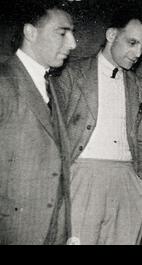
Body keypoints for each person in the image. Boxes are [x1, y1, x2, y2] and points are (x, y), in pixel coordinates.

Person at [56, 6, 142, 244]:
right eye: (132, 42)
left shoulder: (140, 85)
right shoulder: (70, 74)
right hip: (81, 178)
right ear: (111, 35)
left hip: (127, 183)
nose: (138, 52)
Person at [0, 2, 76, 244]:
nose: (73, 43)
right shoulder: (4, 82)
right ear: (30, 32)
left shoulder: (53, 86)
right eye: (62, 33)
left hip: (53, 230)